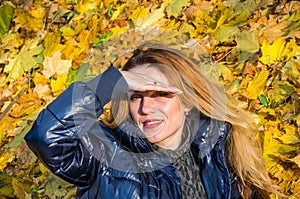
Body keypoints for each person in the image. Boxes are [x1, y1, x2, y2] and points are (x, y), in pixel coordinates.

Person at [25, 43, 278, 198]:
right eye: (136, 96)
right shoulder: (106, 153)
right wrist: (113, 81)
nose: (146, 108)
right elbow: (47, 135)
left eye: (161, 94)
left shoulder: (221, 150)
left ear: (188, 101)